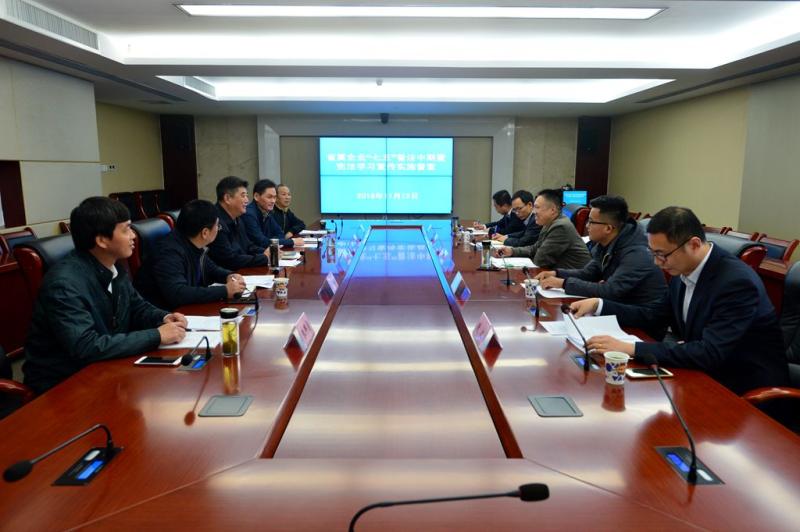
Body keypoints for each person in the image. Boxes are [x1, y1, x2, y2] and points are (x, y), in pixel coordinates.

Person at [570, 206, 788, 395]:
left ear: (694, 244)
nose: (657, 263)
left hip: (744, 388)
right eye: (653, 253)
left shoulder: (736, 282)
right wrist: (599, 305)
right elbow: (654, 314)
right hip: (702, 373)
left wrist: (632, 348)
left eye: (662, 254)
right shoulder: (684, 269)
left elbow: (710, 352)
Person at [23, 197, 187, 394]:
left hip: (104, 368)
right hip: (63, 385)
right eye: (126, 229)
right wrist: (157, 335)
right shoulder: (63, 284)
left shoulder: (112, 265)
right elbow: (86, 346)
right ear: (101, 240)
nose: (133, 236)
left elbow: (136, 306)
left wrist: (163, 317)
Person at [536, 195, 666, 307]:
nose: (587, 226)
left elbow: (610, 291)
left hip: (641, 317)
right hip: (618, 306)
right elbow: (589, 273)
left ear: (608, 228)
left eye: (591, 222)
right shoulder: (604, 243)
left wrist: (563, 283)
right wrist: (556, 273)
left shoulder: (637, 253)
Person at [135, 199, 247, 310]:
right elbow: (178, 293)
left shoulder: (192, 242)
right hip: (165, 315)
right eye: (217, 225)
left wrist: (229, 276)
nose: (218, 229)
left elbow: (210, 268)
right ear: (205, 233)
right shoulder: (168, 252)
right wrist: (225, 291)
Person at [495, 188, 591, 270]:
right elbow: (535, 248)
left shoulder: (560, 226)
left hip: (574, 279)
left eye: (537, 207)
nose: (534, 212)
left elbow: (540, 260)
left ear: (552, 210)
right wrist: (512, 251)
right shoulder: (548, 222)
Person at [207, 176, 271, 270]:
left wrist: (268, 252)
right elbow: (230, 260)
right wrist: (264, 258)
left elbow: (248, 246)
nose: (247, 200)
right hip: (225, 275)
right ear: (227, 198)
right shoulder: (215, 222)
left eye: (247, 196)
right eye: (243, 196)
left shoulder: (237, 218)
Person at [242, 179, 304, 249]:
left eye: (274, 197)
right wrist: (292, 242)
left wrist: (271, 241)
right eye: (269, 197)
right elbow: (262, 241)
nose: (273, 201)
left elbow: (280, 233)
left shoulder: (267, 212)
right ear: (256, 196)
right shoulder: (249, 214)